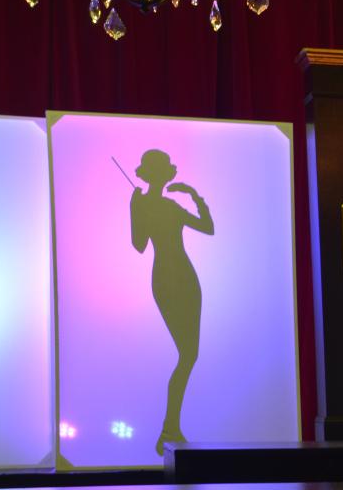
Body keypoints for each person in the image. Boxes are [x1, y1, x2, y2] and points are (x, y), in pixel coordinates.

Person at [129, 149, 214, 456]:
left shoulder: (168, 205)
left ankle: (170, 429)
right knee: (188, 355)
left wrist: (193, 194)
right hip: (168, 279)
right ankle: (168, 429)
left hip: (184, 279)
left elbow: (208, 228)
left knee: (189, 355)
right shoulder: (150, 205)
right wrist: (135, 209)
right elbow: (139, 244)